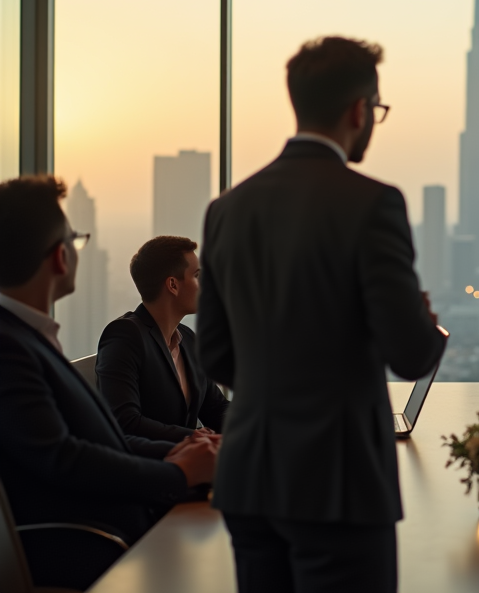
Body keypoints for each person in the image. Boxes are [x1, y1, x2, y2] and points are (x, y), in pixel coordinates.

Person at [198, 36, 447, 593]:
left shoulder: (226, 209)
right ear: (359, 111)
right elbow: (410, 354)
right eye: (377, 111)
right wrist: (422, 319)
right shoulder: (372, 202)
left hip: (250, 477)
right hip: (338, 482)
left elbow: (214, 352)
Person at [0, 177, 217, 575]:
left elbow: (96, 445)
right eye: (75, 240)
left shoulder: (28, 340)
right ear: (60, 257)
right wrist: (177, 471)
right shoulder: (10, 347)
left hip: (124, 523)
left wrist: (182, 457)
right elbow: (64, 458)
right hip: (99, 542)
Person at [96, 236, 230, 443]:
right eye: (197, 275)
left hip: (191, 462)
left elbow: (215, 407)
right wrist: (192, 437)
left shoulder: (188, 339)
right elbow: (124, 421)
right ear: (173, 285)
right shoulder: (124, 335)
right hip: (153, 467)